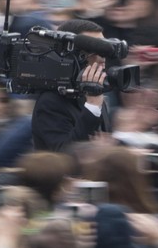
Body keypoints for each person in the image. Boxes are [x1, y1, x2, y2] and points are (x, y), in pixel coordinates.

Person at [31, 19, 112, 152]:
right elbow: (65, 154)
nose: (103, 56)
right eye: (94, 49)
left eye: (105, 48)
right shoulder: (50, 102)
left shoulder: (94, 94)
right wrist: (92, 106)